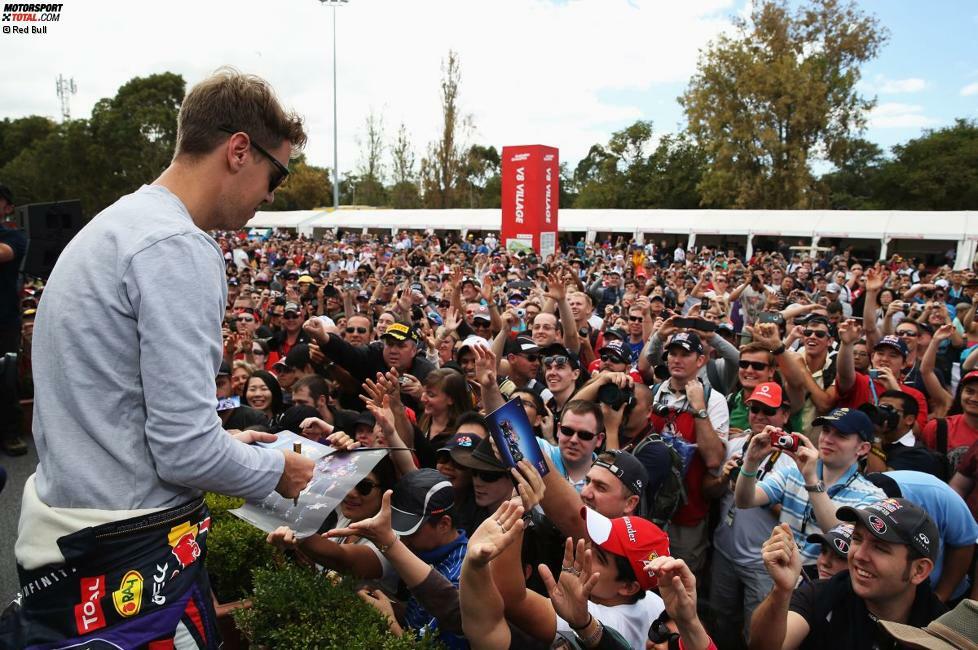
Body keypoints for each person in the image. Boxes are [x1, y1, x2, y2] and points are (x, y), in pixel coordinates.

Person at [3, 69, 314, 648]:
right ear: (239, 150)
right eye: (277, 173)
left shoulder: (114, 225)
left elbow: (123, 414)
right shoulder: (177, 247)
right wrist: (279, 471)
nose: (272, 194)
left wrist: (230, 446)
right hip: (130, 564)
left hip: (72, 539)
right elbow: (185, 452)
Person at [749, 499, 946, 650]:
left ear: (919, 570)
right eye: (857, 539)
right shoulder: (821, 595)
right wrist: (782, 590)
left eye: (880, 548)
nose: (859, 555)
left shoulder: (944, 632)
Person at [326, 468, 469, 649]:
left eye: (410, 530)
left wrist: (389, 622)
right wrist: (389, 607)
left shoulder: (460, 579)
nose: (402, 538)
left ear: (444, 524)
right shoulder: (428, 551)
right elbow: (420, 622)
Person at [705, 382, 798, 648]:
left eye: (767, 410)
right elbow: (708, 492)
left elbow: (796, 514)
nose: (758, 416)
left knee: (756, 632)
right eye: (754, 408)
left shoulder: (791, 460)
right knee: (720, 620)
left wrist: (756, 492)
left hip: (763, 563)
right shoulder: (735, 444)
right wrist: (724, 479)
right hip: (725, 552)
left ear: (785, 415)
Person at [734, 407, 886, 565]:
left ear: (863, 448)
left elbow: (842, 539)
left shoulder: (872, 496)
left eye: (841, 435)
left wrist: (811, 480)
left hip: (825, 584)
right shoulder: (794, 472)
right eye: (826, 430)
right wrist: (751, 461)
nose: (827, 439)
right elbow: (744, 501)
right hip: (782, 577)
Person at [865, 470, 978, 603]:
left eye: (880, 547)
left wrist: (941, 596)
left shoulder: (933, 492)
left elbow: (964, 542)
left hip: (945, 596)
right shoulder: (852, 498)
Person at [0, 183, 27, 456]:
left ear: (7, 208)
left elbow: (3, 254)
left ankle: (11, 434)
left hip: (4, 319)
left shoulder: (15, 238)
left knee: (7, 379)